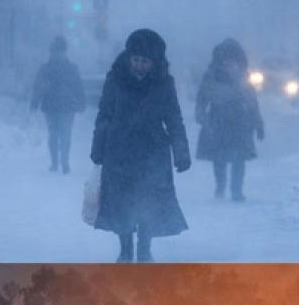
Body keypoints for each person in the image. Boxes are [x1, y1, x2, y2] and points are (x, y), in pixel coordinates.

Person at [90, 28, 191, 263]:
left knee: (149, 202)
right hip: (119, 152)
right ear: (128, 57)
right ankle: (125, 249)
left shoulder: (165, 84)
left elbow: (174, 118)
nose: (139, 65)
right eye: (135, 59)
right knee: (122, 203)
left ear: (154, 62)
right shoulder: (115, 79)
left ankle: (144, 248)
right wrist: (98, 147)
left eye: (145, 61)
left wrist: (181, 153)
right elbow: (104, 114)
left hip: (152, 153)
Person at [195, 38, 264, 201]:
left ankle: (236, 191)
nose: (228, 63)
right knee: (219, 157)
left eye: (232, 59)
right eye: (225, 60)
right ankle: (220, 186)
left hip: (240, 122)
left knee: (239, 158)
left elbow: (252, 101)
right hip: (217, 121)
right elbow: (202, 97)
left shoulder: (244, 78)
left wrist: (258, 123)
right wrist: (202, 116)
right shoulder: (211, 76)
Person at [31, 36, 87, 174]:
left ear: (64, 52)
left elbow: (78, 87)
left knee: (65, 136)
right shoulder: (46, 69)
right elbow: (38, 87)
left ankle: (64, 163)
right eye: (55, 51)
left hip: (66, 108)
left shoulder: (70, 68)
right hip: (51, 107)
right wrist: (35, 102)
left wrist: (81, 102)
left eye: (59, 51)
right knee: (54, 135)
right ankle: (55, 163)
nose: (57, 54)